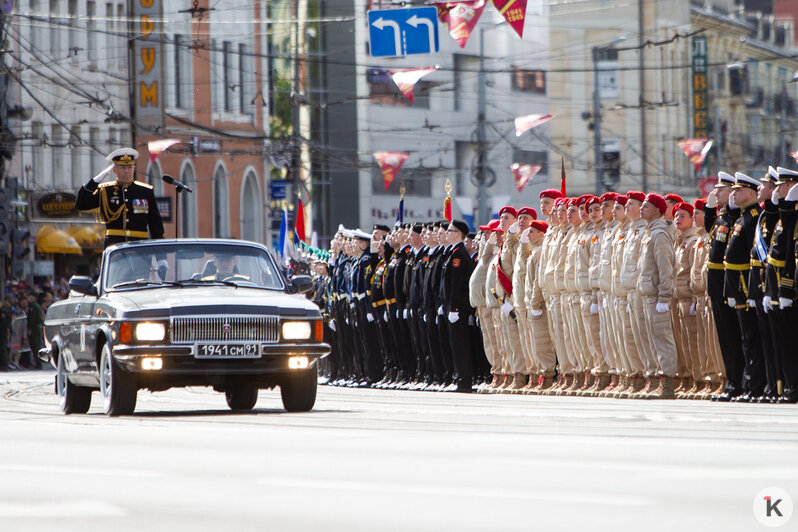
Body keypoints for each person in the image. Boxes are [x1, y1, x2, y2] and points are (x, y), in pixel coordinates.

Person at [75, 148, 165, 248]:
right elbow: (81, 204)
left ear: (134, 169)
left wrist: (161, 258)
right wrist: (96, 180)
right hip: (115, 247)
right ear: (114, 170)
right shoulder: (106, 191)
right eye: (122, 167)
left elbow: (155, 223)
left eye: (129, 167)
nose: (126, 171)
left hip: (140, 246)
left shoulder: (145, 191)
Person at [636, 193, 678, 399]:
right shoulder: (648, 233)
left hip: (656, 297)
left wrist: (664, 297)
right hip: (647, 296)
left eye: (646, 206)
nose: (642, 209)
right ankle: (655, 382)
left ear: (657, 211)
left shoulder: (659, 234)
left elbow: (665, 269)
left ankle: (667, 382)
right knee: (651, 341)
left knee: (663, 339)